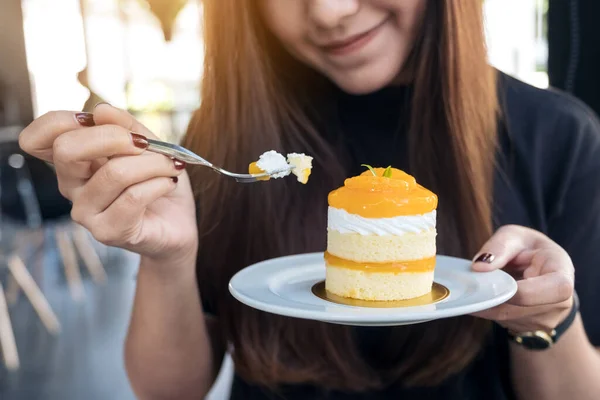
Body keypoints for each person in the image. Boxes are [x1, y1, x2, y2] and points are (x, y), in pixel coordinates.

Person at [18, 1, 600, 399]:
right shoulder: (228, 137)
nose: (329, 11)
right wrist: (168, 258)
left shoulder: (557, 136)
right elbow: (169, 390)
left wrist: (547, 315)